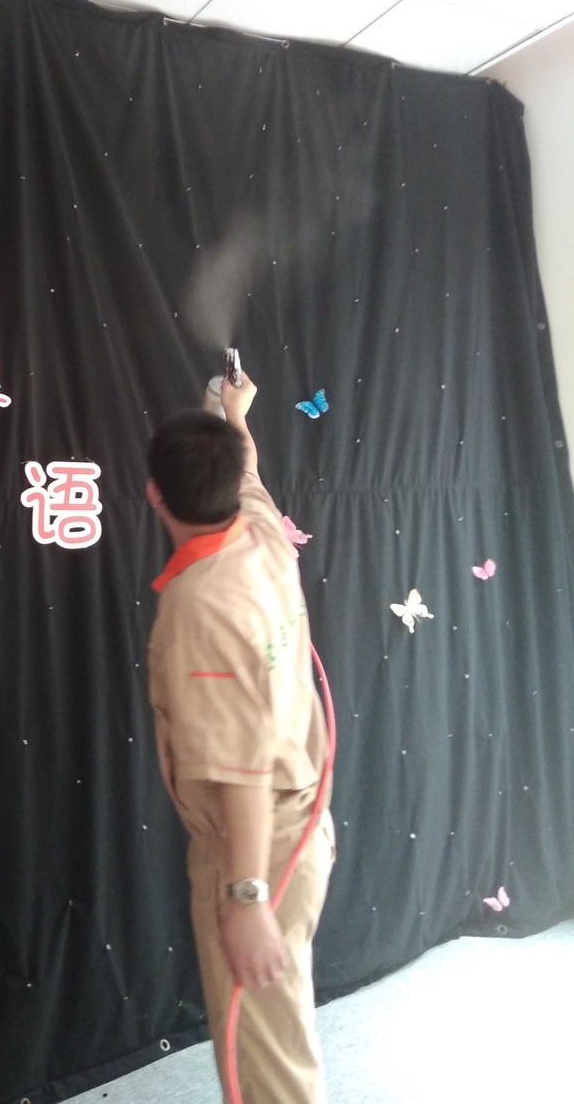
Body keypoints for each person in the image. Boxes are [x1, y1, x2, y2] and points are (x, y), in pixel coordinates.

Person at [145, 372, 335, 1103]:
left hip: (259, 845)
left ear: (154, 495)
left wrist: (247, 899)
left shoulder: (201, 606)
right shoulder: (259, 530)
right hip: (301, 820)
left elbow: (241, 774)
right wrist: (231, 414)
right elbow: (246, 470)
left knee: (266, 1067)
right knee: (274, 1042)